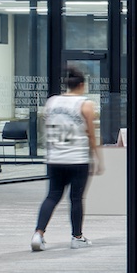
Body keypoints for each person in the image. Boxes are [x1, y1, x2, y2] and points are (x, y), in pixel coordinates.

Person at [31, 66, 102, 251]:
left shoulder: (52, 102)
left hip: (55, 157)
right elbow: (92, 135)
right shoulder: (86, 104)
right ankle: (77, 237)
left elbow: (45, 126)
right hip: (77, 158)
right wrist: (98, 158)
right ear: (81, 85)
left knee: (52, 195)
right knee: (76, 198)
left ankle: (38, 234)